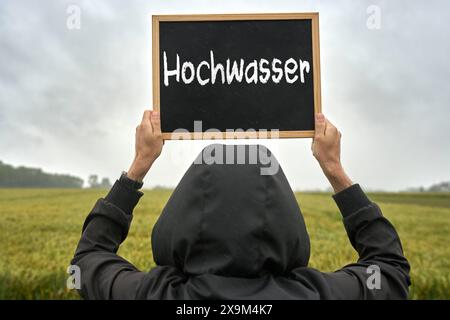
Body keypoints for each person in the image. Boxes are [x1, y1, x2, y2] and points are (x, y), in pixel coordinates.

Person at [70, 111, 410, 299]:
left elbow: (87, 261)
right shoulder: (314, 295)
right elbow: (391, 270)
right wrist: (335, 170)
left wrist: (140, 163)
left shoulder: (153, 295)